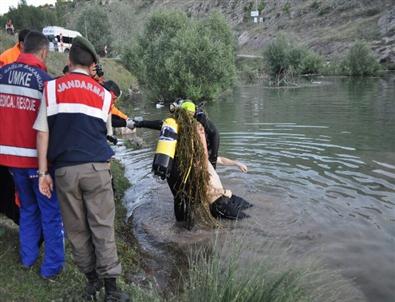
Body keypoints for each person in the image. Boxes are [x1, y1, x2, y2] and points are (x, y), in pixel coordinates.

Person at [34, 36, 130, 302]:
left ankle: (92, 281)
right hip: (97, 168)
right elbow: (107, 134)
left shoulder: (51, 88)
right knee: (102, 226)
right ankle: (112, 289)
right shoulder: (103, 95)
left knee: (77, 229)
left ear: (69, 61)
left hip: (65, 171)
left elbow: (42, 133)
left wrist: (43, 173)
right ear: (92, 66)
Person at [0, 30, 65, 279]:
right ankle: (52, 267)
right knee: (50, 213)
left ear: (22, 48)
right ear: (44, 52)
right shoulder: (45, 81)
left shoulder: (2, 74)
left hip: (10, 160)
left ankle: (27, 259)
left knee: (27, 208)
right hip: (38, 162)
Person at [129, 101, 251, 224]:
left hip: (180, 179)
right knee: (246, 220)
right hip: (218, 201)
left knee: (248, 206)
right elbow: (206, 190)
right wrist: (225, 192)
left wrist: (236, 163)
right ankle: (185, 234)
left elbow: (219, 159)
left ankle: (182, 231)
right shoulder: (198, 165)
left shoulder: (175, 132)